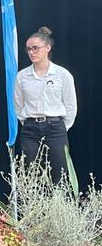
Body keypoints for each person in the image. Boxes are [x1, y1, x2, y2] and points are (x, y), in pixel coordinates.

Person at [13, 26, 77, 184]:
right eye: (28, 49)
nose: (31, 52)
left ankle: (60, 207)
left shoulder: (62, 75)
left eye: (35, 48)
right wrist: (28, 122)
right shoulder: (22, 76)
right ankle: (33, 208)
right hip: (30, 130)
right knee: (30, 173)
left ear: (47, 48)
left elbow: (70, 106)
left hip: (56, 128)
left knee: (60, 174)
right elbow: (18, 105)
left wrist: (61, 126)